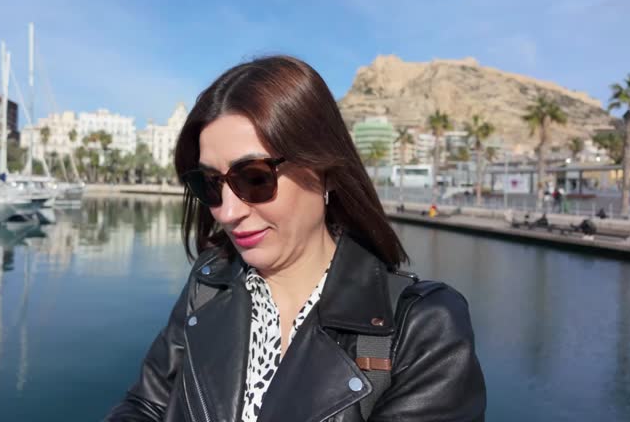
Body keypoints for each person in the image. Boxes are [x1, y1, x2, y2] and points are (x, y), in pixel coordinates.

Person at [106, 56, 486, 421]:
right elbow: (147, 405)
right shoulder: (209, 282)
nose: (227, 211)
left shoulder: (424, 330)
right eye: (210, 184)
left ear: (326, 172)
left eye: (254, 178)